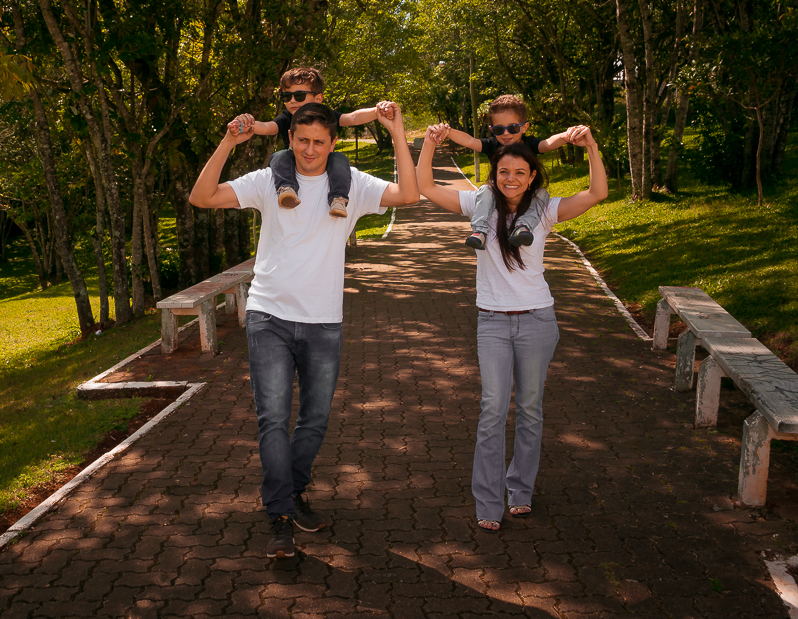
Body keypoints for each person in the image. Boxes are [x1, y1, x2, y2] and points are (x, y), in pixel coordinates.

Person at [190, 101, 418, 558]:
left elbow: (409, 196)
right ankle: (279, 515)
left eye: (319, 142)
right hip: (268, 315)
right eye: (301, 140)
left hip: (323, 322)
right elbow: (202, 197)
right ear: (290, 139)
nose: (309, 150)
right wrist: (228, 142)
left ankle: (292, 492)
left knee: (314, 421)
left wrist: (397, 132)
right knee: (272, 420)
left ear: (333, 143)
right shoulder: (269, 180)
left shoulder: (351, 184)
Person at [416, 122, 606, 531]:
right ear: (494, 174)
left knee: (531, 410)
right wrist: (429, 145)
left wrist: (591, 146)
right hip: (493, 322)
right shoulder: (478, 205)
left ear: (533, 174)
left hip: (538, 319)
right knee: (492, 410)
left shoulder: (546, 209)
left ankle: (519, 490)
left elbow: (597, 193)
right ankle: (487, 500)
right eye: (504, 172)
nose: (511, 178)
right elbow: (428, 188)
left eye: (520, 172)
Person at [231, 66, 395, 218]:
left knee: (340, 159)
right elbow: (268, 127)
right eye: (286, 96)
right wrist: (246, 125)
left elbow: (353, 117)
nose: (292, 101)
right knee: (279, 155)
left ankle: (338, 199)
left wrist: (377, 111)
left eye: (299, 95)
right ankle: (287, 190)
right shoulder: (287, 117)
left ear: (318, 99)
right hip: (293, 160)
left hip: (323, 160)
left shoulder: (325, 115)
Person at [428, 94, 584, 250]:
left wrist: (566, 136)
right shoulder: (492, 144)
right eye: (498, 129)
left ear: (524, 127)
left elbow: (548, 144)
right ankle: (480, 231)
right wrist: (447, 132)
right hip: (499, 191)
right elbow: (469, 141)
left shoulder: (530, 143)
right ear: (491, 130)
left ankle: (523, 228)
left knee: (542, 194)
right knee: (486, 189)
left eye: (513, 128)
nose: (506, 133)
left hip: (527, 193)